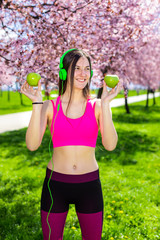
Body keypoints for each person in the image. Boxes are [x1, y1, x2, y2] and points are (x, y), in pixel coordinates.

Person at [21, 48, 122, 240]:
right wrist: (36, 103)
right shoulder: (49, 106)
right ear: (64, 72)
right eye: (77, 68)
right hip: (55, 186)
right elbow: (32, 145)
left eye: (86, 69)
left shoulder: (97, 105)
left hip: (89, 185)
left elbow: (110, 145)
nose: (83, 74)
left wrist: (107, 104)